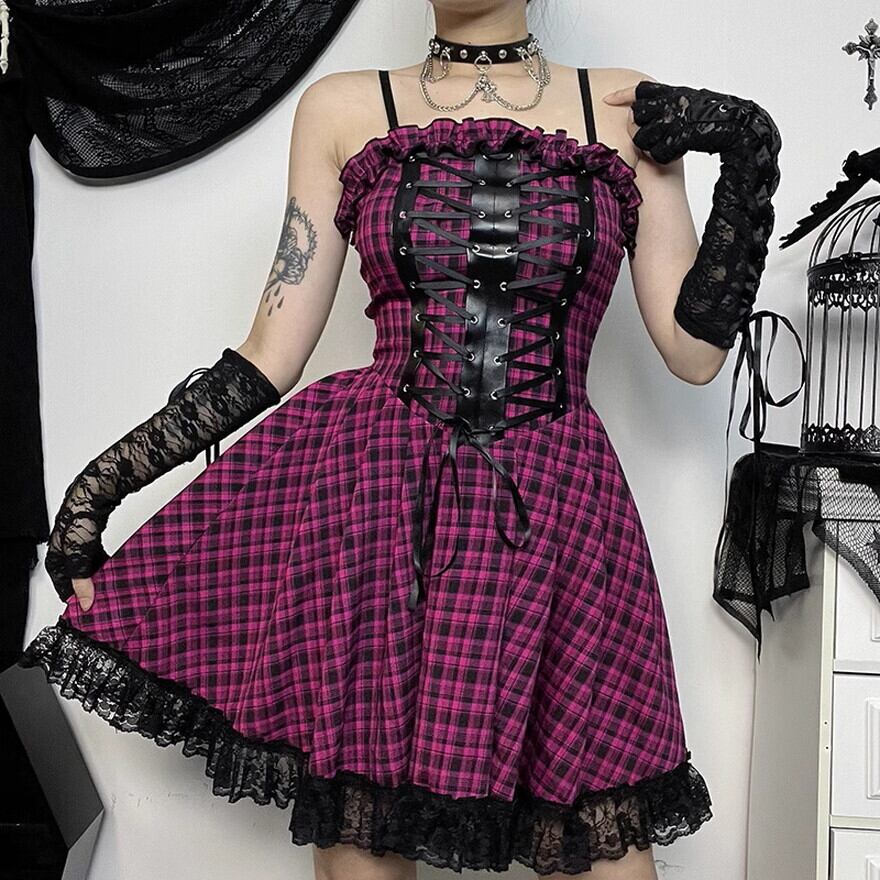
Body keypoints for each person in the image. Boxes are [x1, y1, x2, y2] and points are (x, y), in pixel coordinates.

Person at [19, 0, 782, 878]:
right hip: (381, 514)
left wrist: (748, 152)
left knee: (602, 844)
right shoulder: (344, 108)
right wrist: (101, 488)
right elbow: (270, 354)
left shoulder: (625, 108)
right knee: (364, 834)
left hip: (561, 517)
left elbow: (693, 353)